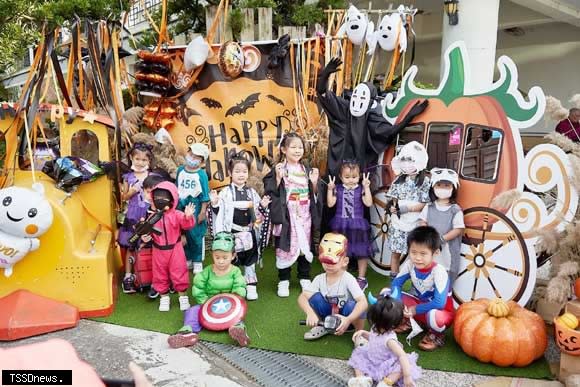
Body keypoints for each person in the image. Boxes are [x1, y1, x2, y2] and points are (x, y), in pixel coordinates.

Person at [316, 57, 428, 177]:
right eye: (356, 96)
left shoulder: (371, 119)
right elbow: (322, 93)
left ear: (371, 102)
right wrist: (325, 75)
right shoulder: (342, 109)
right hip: (336, 171)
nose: (358, 101)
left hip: (357, 176)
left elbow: (390, 132)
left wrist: (410, 115)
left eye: (363, 98)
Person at [263, 132, 323, 297]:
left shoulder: (307, 170)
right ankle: (284, 280)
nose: (298, 150)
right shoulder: (279, 168)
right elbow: (270, 191)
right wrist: (277, 178)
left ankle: (304, 277)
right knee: (285, 245)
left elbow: (316, 194)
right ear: (283, 149)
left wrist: (315, 183)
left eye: (300, 147)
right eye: (293, 147)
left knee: (305, 245)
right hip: (287, 214)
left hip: (304, 214)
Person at [167, 232, 250, 349]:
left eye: (225, 257)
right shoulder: (207, 271)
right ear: (212, 255)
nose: (221, 261)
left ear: (233, 255)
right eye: (217, 257)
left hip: (229, 307)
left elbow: (240, 287)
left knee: (237, 317)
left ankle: (238, 331)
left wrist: (235, 297)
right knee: (193, 311)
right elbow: (198, 286)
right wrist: (204, 302)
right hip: (208, 305)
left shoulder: (235, 271)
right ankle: (187, 332)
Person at [210, 151, 271, 301]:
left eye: (244, 171)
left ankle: (251, 285)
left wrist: (263, 206)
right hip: (232, 232)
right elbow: (219, 212)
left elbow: (258, 213)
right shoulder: (225, 192)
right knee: (234, 259)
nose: (241, 175)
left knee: (250, 259)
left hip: (249, 232)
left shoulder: (252, 192)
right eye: (237, 171)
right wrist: (215, 203)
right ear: (230, 173)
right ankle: (235, 285)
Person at [390, 226, 455, 351]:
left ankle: (436, 335)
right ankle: (411, 321)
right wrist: (398, 303)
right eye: (413, 252)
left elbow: (440, 303)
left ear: (435, 253)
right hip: (420, 308)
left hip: (441, 312)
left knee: (434, 315)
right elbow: (396, 284)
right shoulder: (410, 265)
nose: (417, 258)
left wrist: (415, 309)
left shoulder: (439, 271)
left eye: (423, 253)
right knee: (388, 294)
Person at [298, 233, 368, 340]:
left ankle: (359, 334)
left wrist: (348, 319)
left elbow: (363, 303)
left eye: (333, 262)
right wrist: (310, 313)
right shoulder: (319, 278)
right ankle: (322, 325)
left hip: (347, 319)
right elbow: (302, 297)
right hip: (328, 317)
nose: (328, 265)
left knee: (352, 304)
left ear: (345, 261)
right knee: (315, 297)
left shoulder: (348, 279)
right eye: (325, 261)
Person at [141, 181, 196, 312]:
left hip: (175, 248)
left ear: (172, 199)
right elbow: (146, 232)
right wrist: (144, 236)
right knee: (159, 274)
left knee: (179, 271)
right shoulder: (152, 216)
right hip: (158, 250)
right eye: (157, 198)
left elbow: (187, 225)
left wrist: (188, 217)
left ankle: (182, 297)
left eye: (164, 198)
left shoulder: (176, 214)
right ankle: (164, 298)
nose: (161, 200)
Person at [348, 296, 422, 387]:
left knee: (400, 368)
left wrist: (407, 376)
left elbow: (402, 355)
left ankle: (386, 383)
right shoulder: (376, 328)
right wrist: (363, 333)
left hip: (386, 364)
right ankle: (361, 380)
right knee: (358, 356)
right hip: (372, 358)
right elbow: (374, 338)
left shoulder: (390, 340)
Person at [386, 141, 430, 279]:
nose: (406, 163)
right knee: (395, 253)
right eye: (403, 160)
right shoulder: (398, 180)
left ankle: (414, 283)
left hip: (414, 223)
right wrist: (394, 207)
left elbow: (425, 203)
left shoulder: (425, 182)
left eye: (409, 160)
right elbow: (393, 198)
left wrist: (409, 208)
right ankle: (394, 282)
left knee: (414, 255)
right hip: (398, 223)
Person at [327, 160, 374, 290]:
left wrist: (366, 187)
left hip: (358, 225)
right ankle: (343, 277)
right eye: (347, 177)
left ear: (359, 176)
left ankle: (362, 278)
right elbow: (330, 204)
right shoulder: (338, 189)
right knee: (342, 252)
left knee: (361, 251)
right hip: (340, 224)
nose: (351, 180)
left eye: (354, 177)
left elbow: (369, 203)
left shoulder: (361, 189)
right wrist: (330, 190)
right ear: (341, 177)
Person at [118, 142, 155, 294]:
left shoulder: (152, 177)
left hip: (148, 215)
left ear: (149, 161)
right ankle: (128, 276)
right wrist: (132, 191)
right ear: (131, 158)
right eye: (137, 159)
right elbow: (123, 197)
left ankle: (149, 275)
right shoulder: (127, 177)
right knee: (130, 245)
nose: (140, 162)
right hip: (133, 215)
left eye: (144, 160)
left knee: (148, 245)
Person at [418, 168, 464, 285]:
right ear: (433, 187)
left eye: (446, 185)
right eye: (439, 185)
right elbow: (422, 221)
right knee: (428, 273)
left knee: (445, 278)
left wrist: (441, 239)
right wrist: (426, 235)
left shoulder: (455, 210)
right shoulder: (429, 207)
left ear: (453, 188)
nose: (442, 188)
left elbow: (458, 229)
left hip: (448, 252)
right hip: (430, 249)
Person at [176, 143, 210, 274]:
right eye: (191, 154)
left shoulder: (201, 175)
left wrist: (202, 212)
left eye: (197, 157)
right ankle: (187, 257)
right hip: (181, 204)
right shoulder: (180, 170)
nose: (192, 158)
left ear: (202, 162)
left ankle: (197, 261)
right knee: (183, 233)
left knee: (195, 234)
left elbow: (205, 195)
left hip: (195, 204)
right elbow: (176, 188)